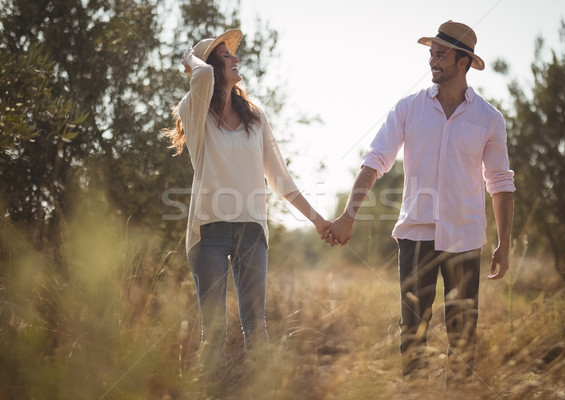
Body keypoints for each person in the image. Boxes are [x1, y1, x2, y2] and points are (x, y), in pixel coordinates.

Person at [323, 21, 515, 385]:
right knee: (413, 330)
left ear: (464, 62)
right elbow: (375, 160)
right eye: (431, 53)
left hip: (464, 238)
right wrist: (349, 215)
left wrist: (505, 244)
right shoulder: (408, 108)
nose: (432, 61)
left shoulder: (489, 119)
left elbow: (500, 183)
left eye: (441, 54)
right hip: (415, 237)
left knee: (463, 333)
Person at [163, 28, 330, 371]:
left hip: (252, 232)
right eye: (226, 55)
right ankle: (208, 392)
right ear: (208, 65)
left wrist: (318, 220)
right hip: (209, 232)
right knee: (215, 330)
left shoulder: (255, 116)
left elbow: (280, 178)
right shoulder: (194, 112)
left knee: (256, 327)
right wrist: (189, 60)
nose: (236, 58)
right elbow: (204, 75)